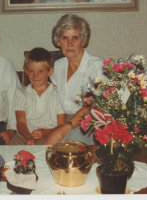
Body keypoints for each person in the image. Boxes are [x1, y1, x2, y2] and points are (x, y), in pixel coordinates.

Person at [44, 14, 105, 145]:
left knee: (67, 145)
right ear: (58, 41)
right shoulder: (58, 66)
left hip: (90, 122)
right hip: (64, 121)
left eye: (75, 38)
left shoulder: (97, 67)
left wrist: (60, 131)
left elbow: (91, 107)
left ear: (83, 41)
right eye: (65, 38)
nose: (69, 43)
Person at [8, 47, 66, 145]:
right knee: (10, 149)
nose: (35, 76)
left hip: (50, 134)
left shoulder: (58, 93)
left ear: (50, 71)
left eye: (40, 71)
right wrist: (28, 137)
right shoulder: (21, 93)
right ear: (26, 71)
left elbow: (61, 125)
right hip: (25, 135)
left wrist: (45, 132)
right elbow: (21, 123)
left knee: (44, 150)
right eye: (31, 71)